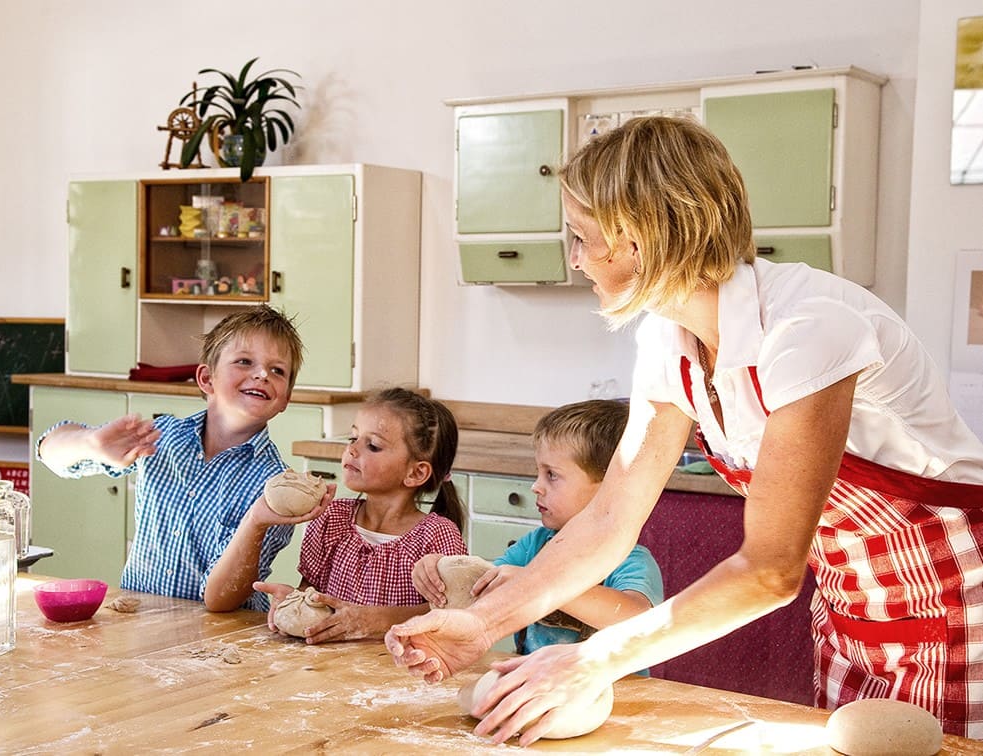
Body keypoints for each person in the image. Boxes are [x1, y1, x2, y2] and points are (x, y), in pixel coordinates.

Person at [385, 115, 983, 744]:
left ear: (640, 239)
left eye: (584, 237)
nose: (577, 258)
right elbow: (609, 521)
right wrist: (481, 622)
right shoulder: (667, 338)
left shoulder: (811, 330)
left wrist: (595, 659)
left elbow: (771, 570)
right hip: (849, 600)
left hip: (959, 596)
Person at [37, 305, 327, 612]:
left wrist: (255, 522)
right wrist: (90, 443)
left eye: (277, 371)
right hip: (140, 620)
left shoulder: (276, 487)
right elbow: (49, 452)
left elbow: (221, 599)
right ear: (206, 378)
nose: (261, 375)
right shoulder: (159, 437)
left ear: (285, 399)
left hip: (217, 637)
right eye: (244, 361)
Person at [412, 399, 662, 662]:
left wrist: (540, 586)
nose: (536, 486)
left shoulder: (629, 559)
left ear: (608, 486)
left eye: (552, 475)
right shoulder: (535, 545)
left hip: (616, 693)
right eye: (538, 472)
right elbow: (484, 586)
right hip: (535, 680)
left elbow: (638, 619)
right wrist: (439, 570)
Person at [254, 387, 468, 643]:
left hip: (401, 672)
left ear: (415, 473)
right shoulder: (331, 518)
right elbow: (310, 591)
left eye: (373, 446)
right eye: (352, 438)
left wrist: (377, 621)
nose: (352, 450)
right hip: (328, 669)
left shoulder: (436, 536)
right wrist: (293, 602)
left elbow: (453, 615)